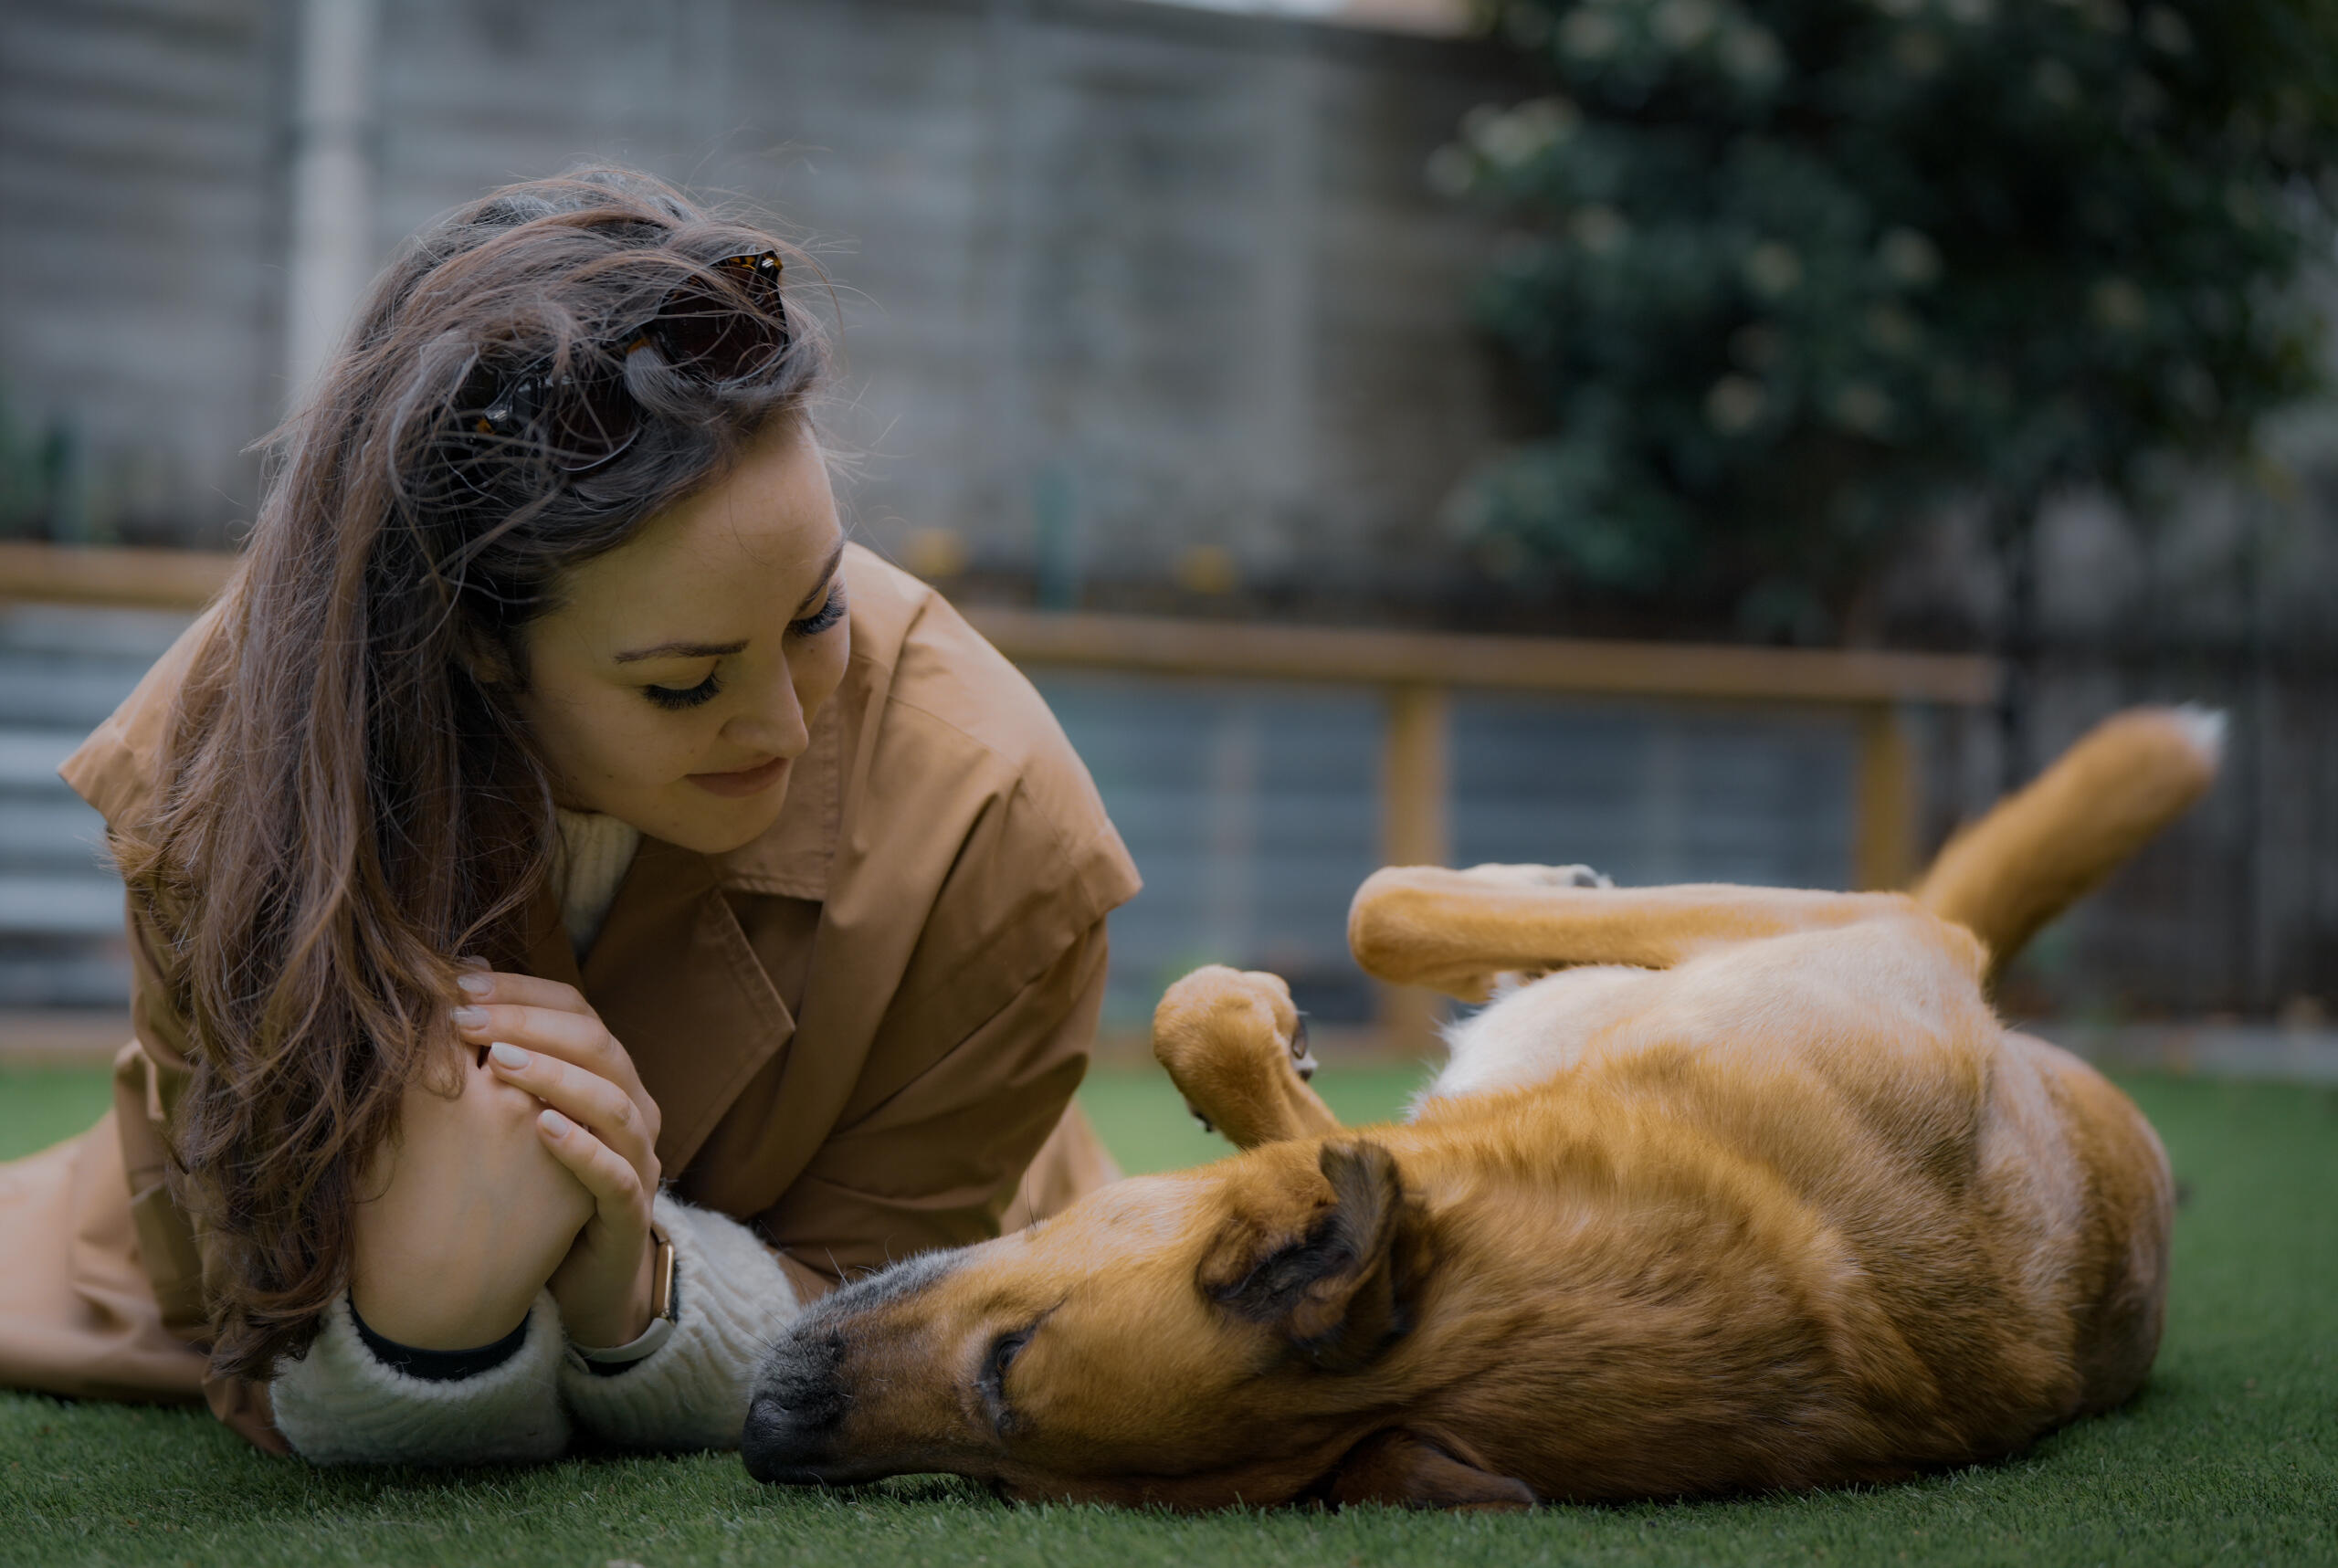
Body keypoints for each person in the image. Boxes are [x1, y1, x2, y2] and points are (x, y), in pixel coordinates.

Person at [0, 170, 1139, 1463]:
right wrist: (421, 1337)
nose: (786, 724)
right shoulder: (219, 769)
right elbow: (240, 1305)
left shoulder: (1005, 828)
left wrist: (642, 1287)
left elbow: (880, 1315)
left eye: (819, 612)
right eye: (684, 681)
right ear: (472, 637)